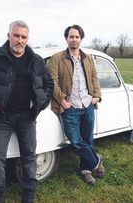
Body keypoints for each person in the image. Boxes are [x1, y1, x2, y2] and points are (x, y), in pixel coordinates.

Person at [0, 20, 53, 203]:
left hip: (27, 118)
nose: (19, 40)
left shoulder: (35, 60)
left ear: (27, 39)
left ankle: (28, 198)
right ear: (8, 36)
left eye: (23, 37)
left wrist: (40, 104)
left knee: (29, 158)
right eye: (16, 35)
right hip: (1, 118)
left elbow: (49, 84)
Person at [48, 24, 105, 185]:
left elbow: (94, 78)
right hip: (70, 107)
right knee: (75, 140)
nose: (74, 39)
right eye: (71, 36)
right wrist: (63, 101)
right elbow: (52, 82)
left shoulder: (87, 58)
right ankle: (97, 161)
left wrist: (97, 97)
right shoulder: (57, 58)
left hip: (87, 105)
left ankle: (86, 170)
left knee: (88, 139)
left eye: (77, 36)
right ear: (66, 38)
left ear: (81, 38)